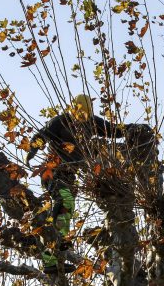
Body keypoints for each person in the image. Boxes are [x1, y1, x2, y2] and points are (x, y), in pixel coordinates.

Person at [24, 94, 122, 274]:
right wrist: (33, 149)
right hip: (53, 172)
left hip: (70, 176)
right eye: (80, 114)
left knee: (66, 210)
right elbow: (42, 135)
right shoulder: (61, 121)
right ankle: (50, 256)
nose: (82, 119)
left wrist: (135, 130)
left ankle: (53, 256)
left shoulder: (92, 122)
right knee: (65, 201)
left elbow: (115, 130)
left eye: (85, 114)